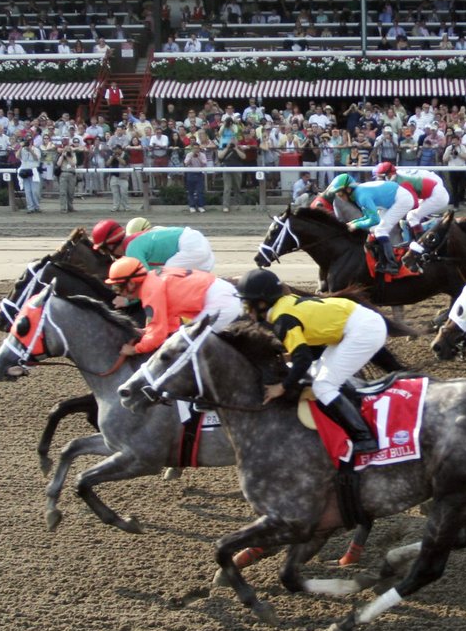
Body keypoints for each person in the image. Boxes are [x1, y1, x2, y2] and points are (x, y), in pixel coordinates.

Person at [236, 268, 386, 456]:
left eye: (247, 304)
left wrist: (282, 386)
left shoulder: (282, 320)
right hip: (356, 324)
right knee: (318, 375)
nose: (246, 310)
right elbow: (310, 351)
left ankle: (364, 438)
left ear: (261, 303)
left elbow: (303, 359)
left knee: (323, 386)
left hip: (363, 330)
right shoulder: (284, 304)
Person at [106, 257, 242, 357]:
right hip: (221, 295)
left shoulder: (150, 290)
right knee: (184, 340)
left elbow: (157, 335)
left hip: (220, 303)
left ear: (130, 284)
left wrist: (135, 349)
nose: (117, 291)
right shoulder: (153, 278)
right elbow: (168, 324)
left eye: (118, 287)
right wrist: (146, 332)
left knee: (187, 349)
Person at [323, 173, 414, 274]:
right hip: (393, 199)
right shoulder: (357, 194)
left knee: (380, 230)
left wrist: (355, 225)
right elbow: (367, 217)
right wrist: (353, 222)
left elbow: (375, 219)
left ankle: (392, 265)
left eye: (340, 194)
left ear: (348, 190)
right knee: (374, 230)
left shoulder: (362, 197)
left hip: (402, 200)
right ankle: (382, 260)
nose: (341, 198)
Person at [374, 160, 450, 233]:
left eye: (380, 177)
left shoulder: (401, 182)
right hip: (431, 187)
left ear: (389, 175)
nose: (379, 180)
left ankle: (420, 240)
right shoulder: (396, 178)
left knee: (412, 216)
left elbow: (413, 203)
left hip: (436, 191)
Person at [124, 224, 217, 272]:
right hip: (201, 247)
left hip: (194, 247)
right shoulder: (157, 233)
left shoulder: (152, 236)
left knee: (166, 274)